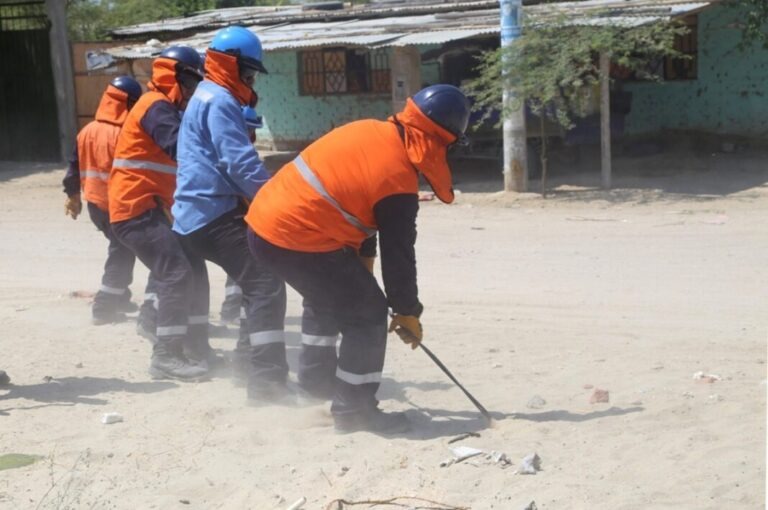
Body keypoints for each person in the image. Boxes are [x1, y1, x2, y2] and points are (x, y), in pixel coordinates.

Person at [245, 84, 471, 434]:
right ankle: (354, 411)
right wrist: (406, 310)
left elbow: (361, 216)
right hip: (297, 236)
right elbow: (399, 255)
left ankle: (316, 383)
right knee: (366, 314)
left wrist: (363, 272)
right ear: (443, 140)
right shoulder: (398, 177)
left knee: (337, 296)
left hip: (263, 227)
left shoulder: (370, 130)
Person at [173, 26, 289, 402]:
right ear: (230, 64)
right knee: (265, 283)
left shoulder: (204, 95)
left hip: (195, 213)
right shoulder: (220, 100)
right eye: (249, 73)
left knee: (250, 283)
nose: (252, 80)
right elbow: (239, 163)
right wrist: (277, 198)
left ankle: (245, 364)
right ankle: (266, 383)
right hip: (213, 212)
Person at [109, 46, 209, 381]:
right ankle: (166, 354)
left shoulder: (162, 107)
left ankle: (171, 335)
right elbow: (180, 146)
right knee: (176, 271)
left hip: (144, 208)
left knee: (184, 267)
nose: (194, 92)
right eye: (191, 83)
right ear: (175, 76)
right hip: (136, 209)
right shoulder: (156, 107)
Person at [62, 76, 143, 325]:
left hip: (96, 205)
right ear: (127, 103)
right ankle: (105, 307)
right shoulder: (124, 134)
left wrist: (73, 196)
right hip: (118, 205)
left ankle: (119, 295)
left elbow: (73, 168)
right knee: (123, 252)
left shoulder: (87, 131)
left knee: (120, 248)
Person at [219, 106, 262, 324]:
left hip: (242, 212)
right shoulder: (229, 149)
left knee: (241, 264)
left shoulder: (243, 150)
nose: (250, 136)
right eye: (248, 130)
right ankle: (232, 310)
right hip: (231, 213)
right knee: (245, 265)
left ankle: (232, 310)